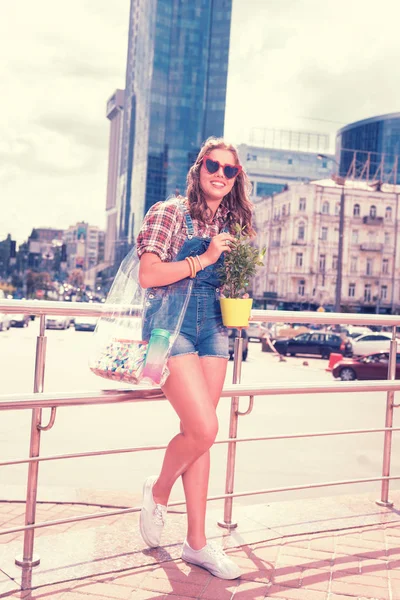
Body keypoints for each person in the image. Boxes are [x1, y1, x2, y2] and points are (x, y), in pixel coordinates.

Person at [136, 137, 255, 580]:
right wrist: (204, 258)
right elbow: (149, 275)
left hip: (213, 330)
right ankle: (159, 489)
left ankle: (197, 544)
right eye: (213, 165)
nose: (220, 175)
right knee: (205, 427)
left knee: (200, 434)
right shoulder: (169, 212)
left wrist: (237, 293)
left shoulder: (232, 221)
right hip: (169, 328)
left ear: (236, 178)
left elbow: (230, 278)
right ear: (198, 167)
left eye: (230, 170)